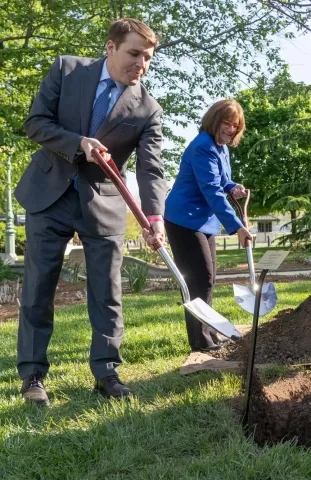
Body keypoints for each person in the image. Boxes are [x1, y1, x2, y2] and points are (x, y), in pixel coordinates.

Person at [16, 18, 167, 405]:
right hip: (50, 195)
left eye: (148, 58)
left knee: (108, 293)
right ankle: (33, 373)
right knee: (39, 288)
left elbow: (152, 170)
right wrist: (78, 142)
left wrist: (154, 218)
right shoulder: (66, 70)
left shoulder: (148, 109)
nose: (142, 64)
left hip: (104, 205)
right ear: (111, 47)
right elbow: (35, 124)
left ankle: (106, 371)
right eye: (135, 53)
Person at [164, 99, 252, 353]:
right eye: (226, 123)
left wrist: (232, 186)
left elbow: (221, 182)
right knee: (199, 278)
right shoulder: (203, 146)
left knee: (208, 278)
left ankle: (209, 331)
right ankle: (200, 341)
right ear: (214, 121)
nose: (230, 129)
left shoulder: (220, 148)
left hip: (203, 222)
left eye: (235, 126)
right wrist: (237, 228)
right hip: (184, 220)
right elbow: (211, 191)